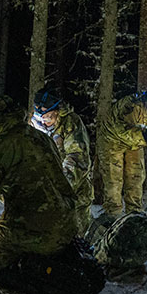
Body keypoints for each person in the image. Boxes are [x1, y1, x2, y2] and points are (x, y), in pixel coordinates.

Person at [0, 94, 102, 294]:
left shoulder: (1, 145)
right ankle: (63, 258)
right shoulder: (40, 137)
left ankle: (44, 271)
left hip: (32, 225)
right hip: (67, 224)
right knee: (39, 237)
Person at [95, 88, 147, 217]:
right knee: (113, 179)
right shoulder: (130, 106)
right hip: (112, 139)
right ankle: (113, 215)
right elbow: (123, 132)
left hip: (135, 143)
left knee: (136, 176)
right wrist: (146, 134)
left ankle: (134, 214)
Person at [31, 88, 94, 230]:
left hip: (74, 191)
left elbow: (78, 157)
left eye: (47, 117)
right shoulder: (34, 125)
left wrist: (60, 185)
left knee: (75, 235)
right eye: (39, 116)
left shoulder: (70, 122)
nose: (44, 121)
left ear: (56, 111)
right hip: (45, 189)